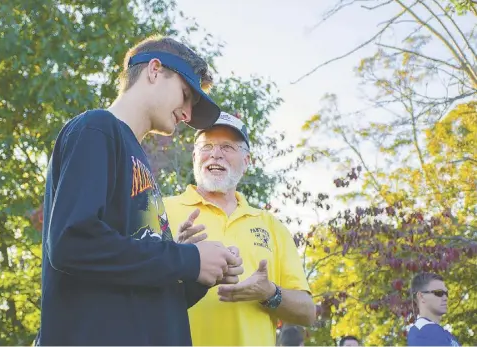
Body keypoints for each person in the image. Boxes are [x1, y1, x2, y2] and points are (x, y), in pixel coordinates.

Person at [38, 36, 243, 346]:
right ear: (155, 70)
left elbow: (143, 293)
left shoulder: (138, 162)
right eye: (185, 95)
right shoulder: (97, 128)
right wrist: (185, 258)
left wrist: (200, 271)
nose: (187, 114)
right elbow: (72, 242)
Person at [163, 112, 316, 346]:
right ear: (195, 156)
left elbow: (307, 312)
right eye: (207, 146)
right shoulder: (160, 210)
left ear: (246, 162)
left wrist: (269, 293)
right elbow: (128, 288)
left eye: (227, 147)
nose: (215, 154)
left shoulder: (271, 226)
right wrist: (175, 260)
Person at [407, 272, 460, 346]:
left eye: (446, 293)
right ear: (421, 296)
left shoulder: (444, 334)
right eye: (439, 293)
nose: (445, 298)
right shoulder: (422, 333)